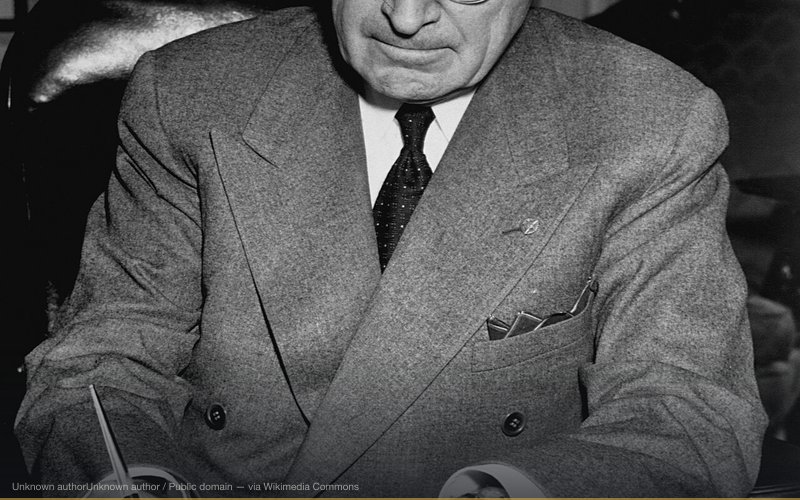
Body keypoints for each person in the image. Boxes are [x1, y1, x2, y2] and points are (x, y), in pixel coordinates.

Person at [15, 0, 767, 496]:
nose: (406, 18)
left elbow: (685, 411)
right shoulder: (188, 93)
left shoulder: (655, 120)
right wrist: (139, 482)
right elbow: (103, 362)